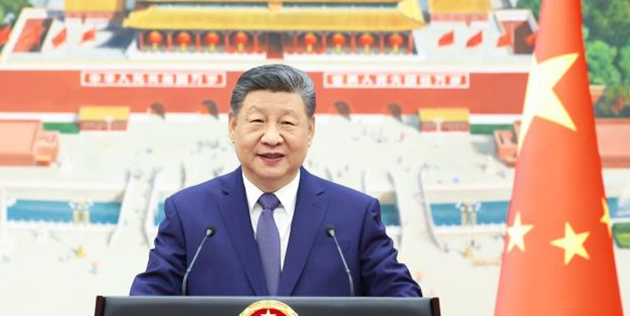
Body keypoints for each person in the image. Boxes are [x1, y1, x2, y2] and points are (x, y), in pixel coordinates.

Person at [129, 64, 421, 298]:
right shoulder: (189, 213)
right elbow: (146, 308)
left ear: (310, 130)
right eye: (257, 121)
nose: (271, 137)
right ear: (233, 127)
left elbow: (403, 302)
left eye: (287, 123)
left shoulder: (354, 215)